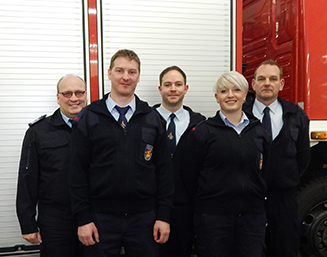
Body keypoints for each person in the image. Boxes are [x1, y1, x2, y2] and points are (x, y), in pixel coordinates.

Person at [68, 49, 173, 257]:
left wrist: (164, 216)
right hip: (100, 219)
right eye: (120, 70)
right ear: (109, 73)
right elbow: (76, 172)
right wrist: (83, 219)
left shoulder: (152, 118)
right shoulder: (89, 117)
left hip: (145, 219)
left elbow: (164, 173)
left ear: (139, 76)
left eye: (132, 72)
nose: (126, 77)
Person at [183, 71, 270, 257]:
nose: (230, 95)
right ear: (217, 98)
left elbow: (266, 172)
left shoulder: (259, 132)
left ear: (245, 95)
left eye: (236, 90)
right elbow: (189, 177)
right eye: (224, 91)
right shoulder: (202, 133)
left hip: (251, 219)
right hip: (213, 220)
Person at [243, 60, 310, 257]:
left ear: (281, 84)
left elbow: (303, 157)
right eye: (261, 79)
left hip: (284, 202)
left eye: (273, 79)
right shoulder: (240, 115)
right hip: (248, 201)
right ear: (253, 85)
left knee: (284, 249)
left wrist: (285, 180)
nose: (267, 83)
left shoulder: (296, 115)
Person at [16, 74, 87, 257]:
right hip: (55, 220)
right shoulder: (38, 132)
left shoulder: (98, 128)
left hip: (92, 217)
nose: (73, 98)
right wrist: (28, 224)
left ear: (86, 95)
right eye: (67, 93)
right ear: (58, 97)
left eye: (79, 93)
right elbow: (27, 179)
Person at [154, 66, 205, 257]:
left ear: (186, 88)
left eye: (178, 84)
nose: (173, 89)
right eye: (167, 85)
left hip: (187, 208)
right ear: (160, 89)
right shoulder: (146, 120)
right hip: (153, 208)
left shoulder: (200, 124)